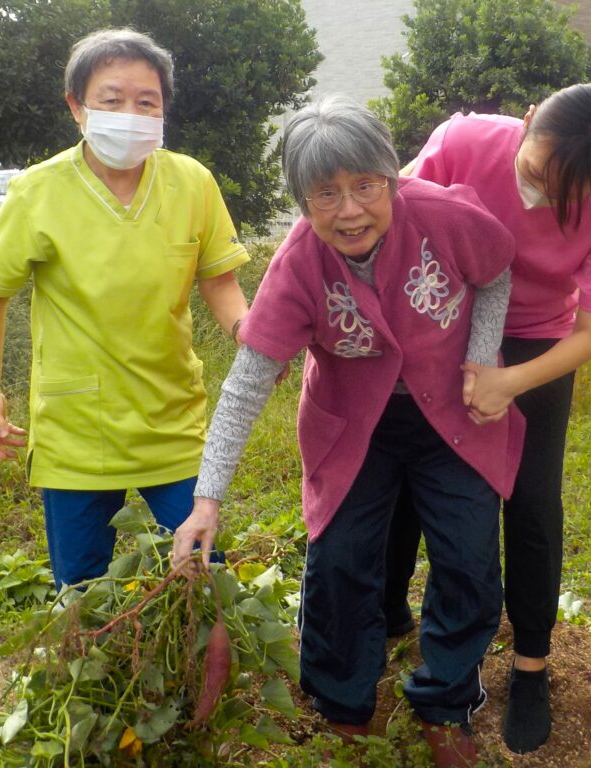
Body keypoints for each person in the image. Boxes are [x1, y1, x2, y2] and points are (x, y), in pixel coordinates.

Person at [171, 95, 525, 768]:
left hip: (452, 413)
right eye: (325, 194)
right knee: (340, 562)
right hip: (352, 425)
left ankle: (446, 704)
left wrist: (483, 357)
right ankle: (343, 706)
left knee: (469, 558)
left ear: (391, 177)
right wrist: (206, 500)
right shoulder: (298, 265)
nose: (350, 209)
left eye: (365, 185)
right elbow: (248, 382)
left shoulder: (444, 216)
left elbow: (496, 272)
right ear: (303, 202)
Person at [384, 83, 591, 754]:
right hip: (444, 323)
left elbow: (590, 334)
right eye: (536, 171)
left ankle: (530, 666)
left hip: (536, 345)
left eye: (565, 190)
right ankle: (387, 612)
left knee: (531, 502)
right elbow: (395, 209)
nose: (542, 195)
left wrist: (509, 382)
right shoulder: (465, 140)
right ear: (526, 121)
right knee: (416, 469)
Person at [0, 28, 250, 591]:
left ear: (164, 109)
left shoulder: (192, 183)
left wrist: (249, 332)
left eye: (147, 102)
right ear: (77, 107)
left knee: (200, 577)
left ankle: (196, 648)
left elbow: (219, 280)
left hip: (171, 418)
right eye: (112, 99)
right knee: (81, 591)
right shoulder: (37, 192)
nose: (131, 114)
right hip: (78, 427)